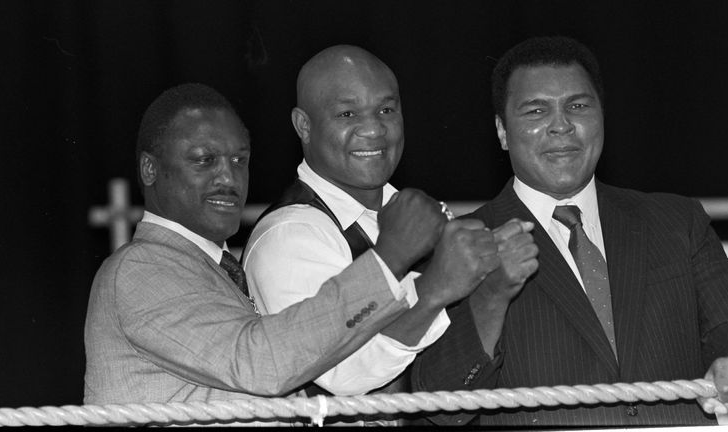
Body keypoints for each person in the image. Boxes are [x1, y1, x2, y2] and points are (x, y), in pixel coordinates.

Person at [83, 82, 505, 426]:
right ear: (150, 170)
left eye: (239, 159)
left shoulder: (212, 268)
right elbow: (262, 364)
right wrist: (389, 258)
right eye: (204, 160)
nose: (228, 176)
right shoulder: (140, 267)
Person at [411, 36, 728, 426]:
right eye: (536, 111)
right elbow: (437, 410)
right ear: (502, 131)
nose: (561, 126)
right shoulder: (459, 244)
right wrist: (490, 296)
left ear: (602, 116)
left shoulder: (676, 220)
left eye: (578, 106)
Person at [242, 45, 539, 425]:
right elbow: (343, 373)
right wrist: (434, 289)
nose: (373, 129)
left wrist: (490, 291)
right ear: (304, 125)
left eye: (386, 109)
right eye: (347, 113)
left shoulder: (412, 210)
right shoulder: (289, 236)